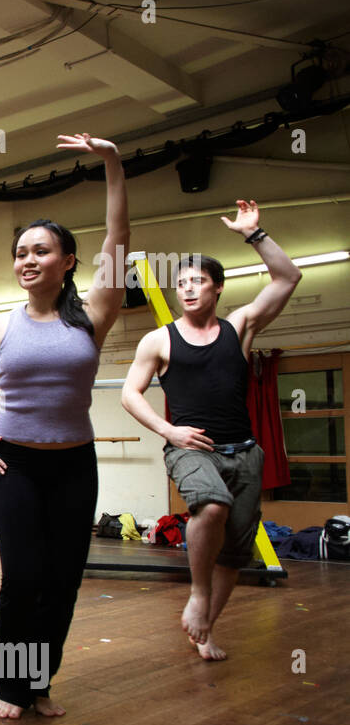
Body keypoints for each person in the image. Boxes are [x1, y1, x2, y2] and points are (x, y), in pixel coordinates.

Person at [0, 132, 129, 720]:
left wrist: (112, 165)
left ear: (68, 261)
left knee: (64, 579)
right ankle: (11, 684)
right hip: (12, 463)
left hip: (74, 463)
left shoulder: (93, 316)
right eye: (21, 251)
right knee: (23, 577)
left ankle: (41, 681)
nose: (28, 259)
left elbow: (119, 241)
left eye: (41, 250)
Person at [121, 202, 301, 661]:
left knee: (236, 553)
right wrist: (170, 432)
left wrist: (255, 233)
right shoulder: (159, 339)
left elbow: (288, 278)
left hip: (244, 452)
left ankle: (204, 629)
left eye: (197, 281)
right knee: (212, 504)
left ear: (217, 288)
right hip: (191, 448)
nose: (187, 289)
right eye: (180, 283)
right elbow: (130, 394)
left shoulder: (238, 327)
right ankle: (197, 595)